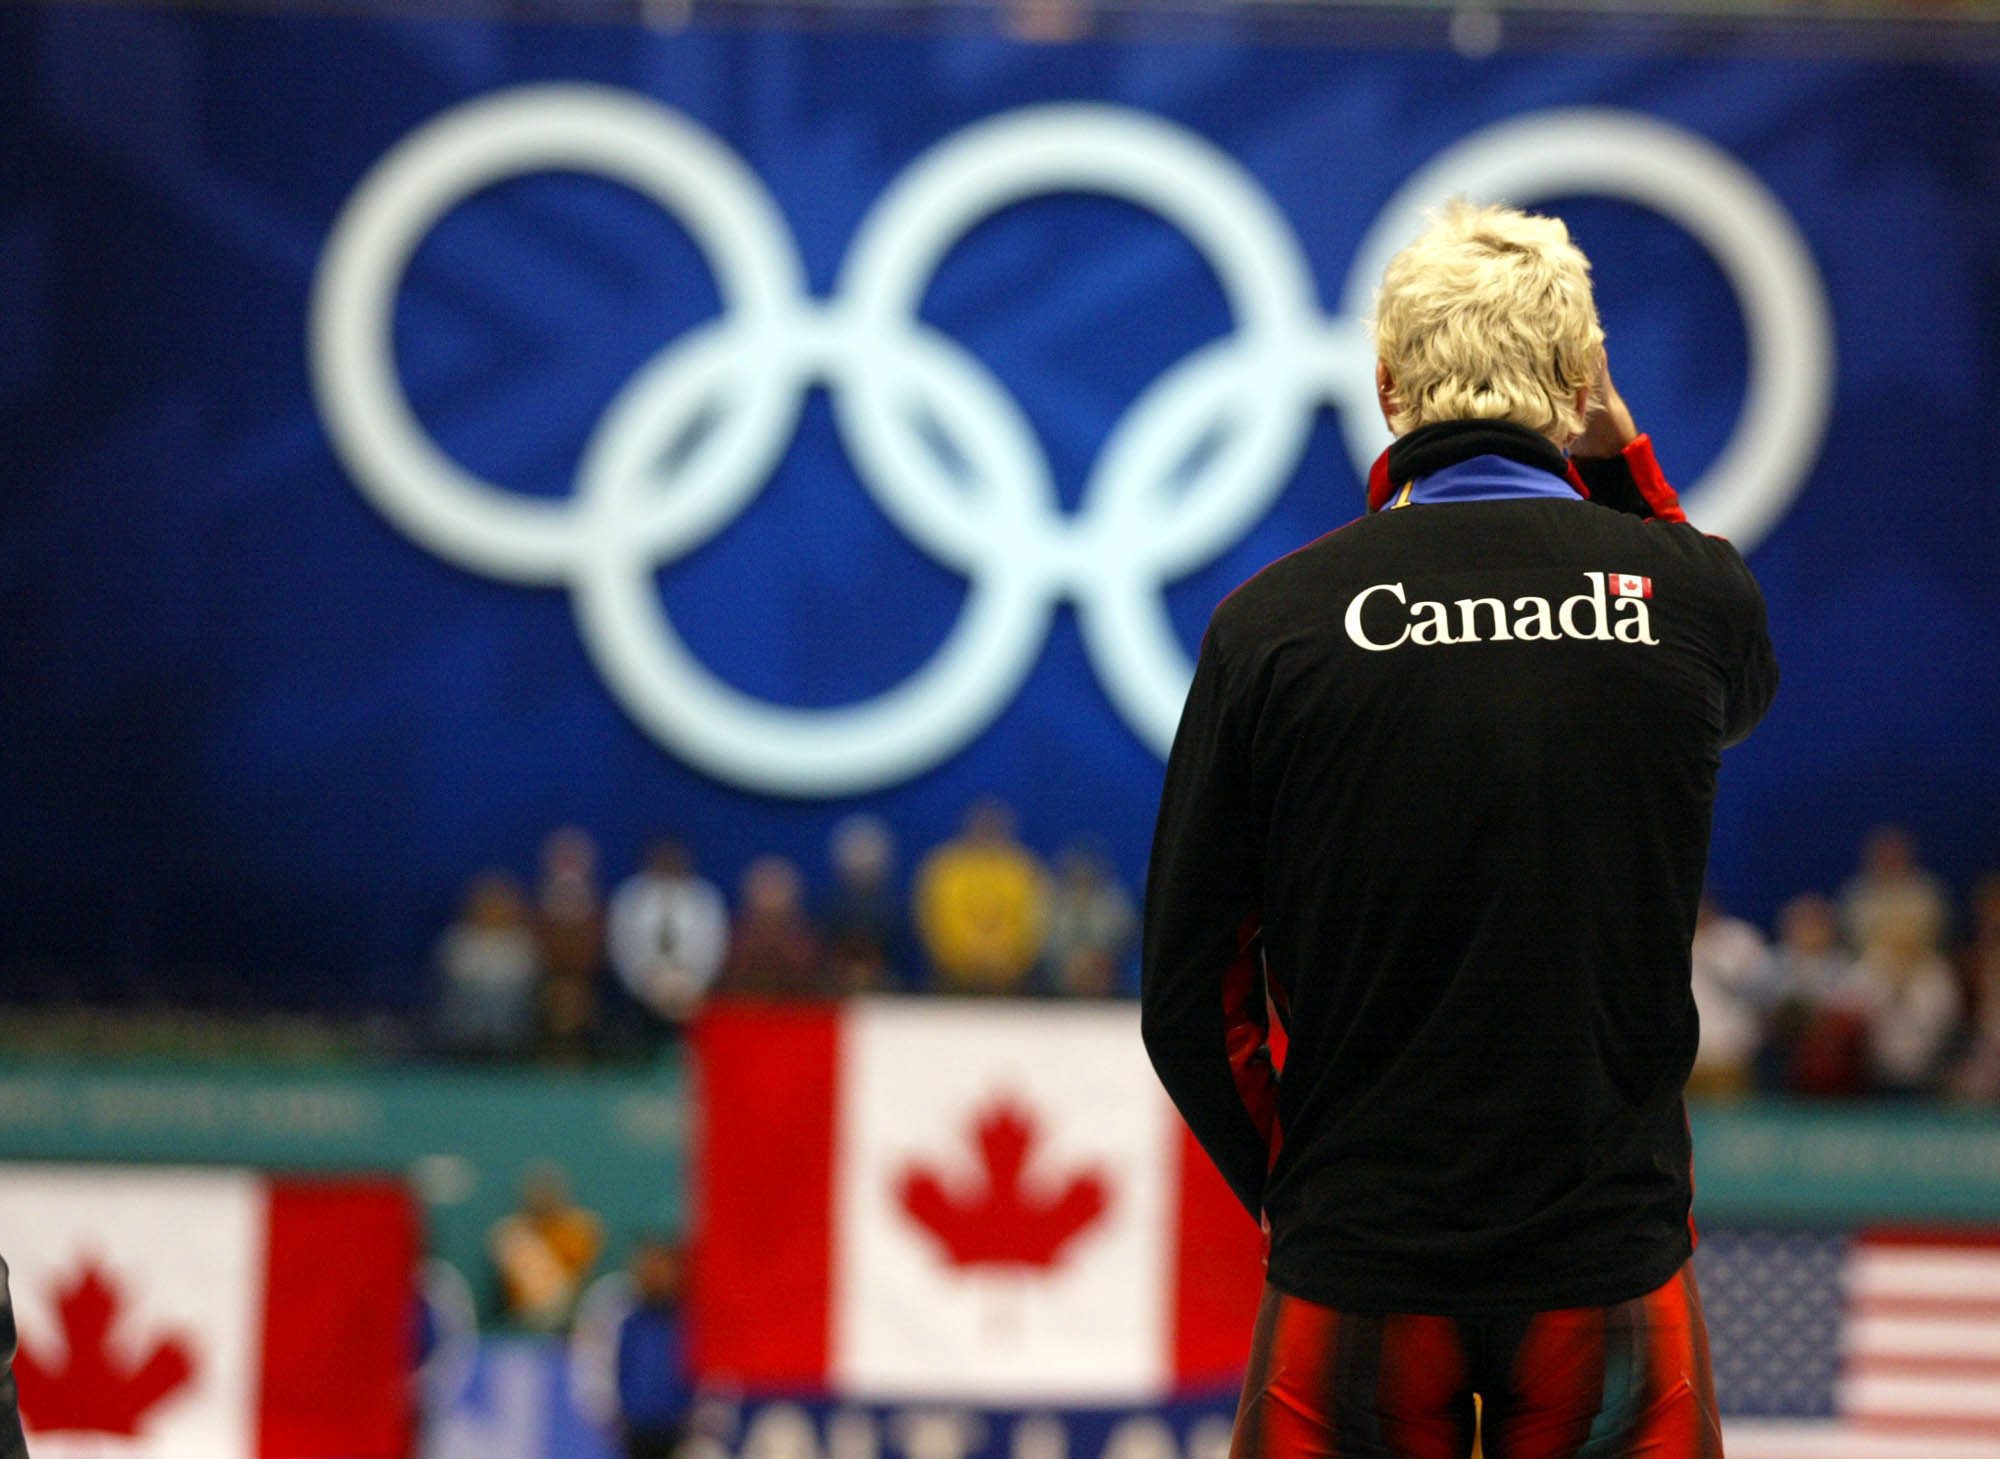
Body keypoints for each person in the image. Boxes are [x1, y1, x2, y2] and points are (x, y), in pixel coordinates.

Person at [1143, 200, 1775, 1459]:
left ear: (1385, 388)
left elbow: (1184, 995)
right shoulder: (1686, 599)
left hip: (1359, 1270)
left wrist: (1307, 1190)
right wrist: (1619, 460)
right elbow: (1739, 687)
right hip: (1607, 1269)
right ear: (1579, 381)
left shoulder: (1267, 629)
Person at [913, 798, 1050, 994]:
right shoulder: (947, 868)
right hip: (954, 977)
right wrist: (967, 954)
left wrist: (1004, 955)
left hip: (1011, 977)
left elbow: (1034, 923)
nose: (987, 833)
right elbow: (937, 919)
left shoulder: (1022, 869)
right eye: (983, 826)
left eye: (994, 827)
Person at [607, 840, 729, 1042]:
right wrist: (643, 981)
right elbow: (621, 948)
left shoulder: (705, 897)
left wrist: (692, 982)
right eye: (662, 859)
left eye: (674, 859)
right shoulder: (630, 896)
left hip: (692, 985)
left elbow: (714, 948)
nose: (668, 864)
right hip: (640, 985)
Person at [434, 869, 543, 1057]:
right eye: (489, 906)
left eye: (500, 906)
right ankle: (466, 1047)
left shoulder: (522, 942)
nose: (494, 911)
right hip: (465, 1017)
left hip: (510, 1019)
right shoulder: (458, 940)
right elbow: (454, 981)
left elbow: (527, 982)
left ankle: (506, 1047)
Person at [488, 1162, 604, 1331]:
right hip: (520, 1328)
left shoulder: (581, 1231)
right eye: (537, 1191)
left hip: (571, 1327)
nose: (543, 1197)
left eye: (548, 1191)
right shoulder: (509, 1234)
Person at [613, 1237, 695, 1459]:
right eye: (646, 1266)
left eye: (660, 1266)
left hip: (681, 1430)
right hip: (638, 1429)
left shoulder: (690, 1321)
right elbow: (621, 1370)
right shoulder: (630, 1322)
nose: (652, 1274)